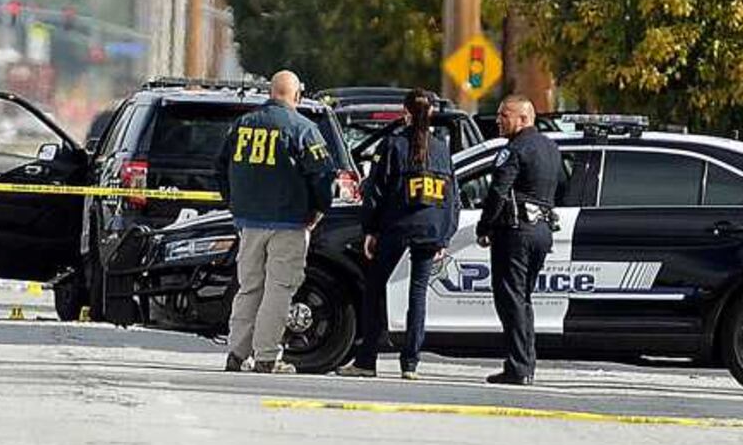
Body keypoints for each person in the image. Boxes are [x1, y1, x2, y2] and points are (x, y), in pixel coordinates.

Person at [215, 71, 335, 374]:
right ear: (296, 95)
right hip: (290, 222)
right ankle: (267, 357)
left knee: (249, 287)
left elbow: (220, 168)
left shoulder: (241, 126)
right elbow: (323, 175)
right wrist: (319, 209)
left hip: (249, 223)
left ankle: (236, 353)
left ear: (271, 92)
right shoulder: (303, 129)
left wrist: (234, 204)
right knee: (279, 289)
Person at [337, 89, 459, 380]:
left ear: (405, 113)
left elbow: (375, 191)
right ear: (430, 115)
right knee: (418, 295)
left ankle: (367, 360)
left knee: (375, 288)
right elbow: (452, 197)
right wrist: (444, 235)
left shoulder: (393, 144)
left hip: (398, 227)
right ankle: (410, 363)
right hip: (430, 229)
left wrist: (370, 229)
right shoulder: (441, 148)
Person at [475, 95, 562, 385]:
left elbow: (498, 191)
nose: (498, 120)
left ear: (523, 119)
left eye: (504, 115)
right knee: (523, 300)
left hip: (516, 232)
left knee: (511, 300)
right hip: (541, 231)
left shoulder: (515, 148)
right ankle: (525, 365)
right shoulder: (551, 147)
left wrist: (484, 226)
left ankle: (518, 367)